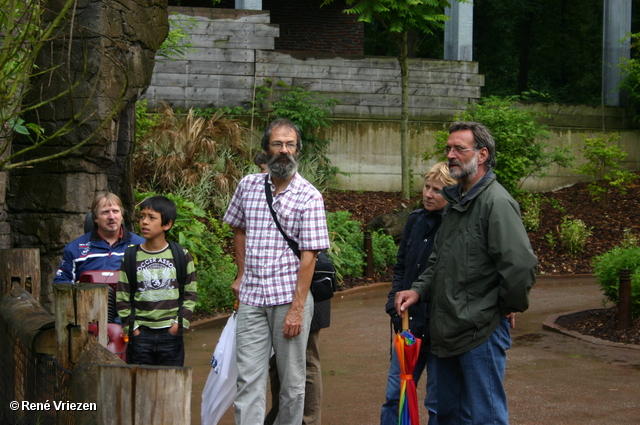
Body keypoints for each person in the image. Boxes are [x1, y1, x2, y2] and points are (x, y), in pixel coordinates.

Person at [395, 121, 538, 425]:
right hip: (445, 331)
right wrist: (418, 289)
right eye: (448, 148)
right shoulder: (455, 201)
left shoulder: (496, 203)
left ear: (482, 154)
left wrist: (501, 308)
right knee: (447, 414)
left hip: (480, 333)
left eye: (459, 148)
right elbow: (439, 259)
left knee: (486, 417)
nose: (450, 154)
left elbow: (521, 266)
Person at [223, 118, 330, 425]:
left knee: (293, 383)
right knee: (249, 379)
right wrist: (241, 275)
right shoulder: (248, 185)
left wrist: (297, 309)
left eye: (290, 144)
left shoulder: (309, 196)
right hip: (253, 298)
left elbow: (310, 256)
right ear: (266, 149)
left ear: (298, 149)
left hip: (288, 299)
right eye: (278, 144)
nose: (284, 151)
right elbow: (239, 228)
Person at [381, 162, 456, 425]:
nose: (428, 194)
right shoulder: (414, 220)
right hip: (408, 327)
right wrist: (393, 303)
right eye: (427, 187)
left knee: (437, 402)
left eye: (437, 190)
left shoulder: (456, 226)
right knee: (395, 395)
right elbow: (401, 266)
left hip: (438, 331)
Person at [116, 195, 197, 366]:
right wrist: (134, 329)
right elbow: (122, 297)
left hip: (171, 334)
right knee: (139, 387)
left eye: (152, 218)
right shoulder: (131, 255)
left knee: (171, 385)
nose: (145, 222)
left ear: (167, 224)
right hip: (140, 335)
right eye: (142, 216)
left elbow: (190, 293)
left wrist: (178, 326)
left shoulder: (180, 255)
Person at [54, 192, 145, 283]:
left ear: (121, 216)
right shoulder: (74, 248)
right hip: (88, 296)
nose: (111, 217)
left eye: (115, 211)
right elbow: (61, 283)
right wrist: (76, 289)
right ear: (95, 218)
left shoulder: (142, 246)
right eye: (105, 212)